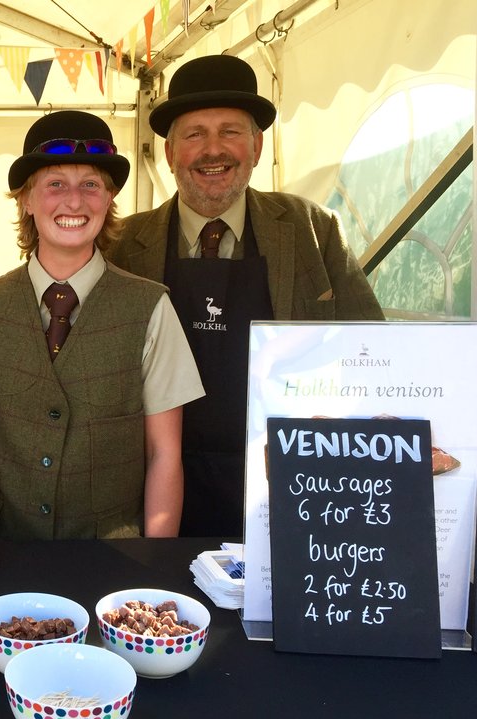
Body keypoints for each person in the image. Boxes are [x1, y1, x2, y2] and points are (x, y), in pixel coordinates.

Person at [106, 54, 385, 538]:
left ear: (256, 146)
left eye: (230, 132)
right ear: (170, 153)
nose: (213, 151)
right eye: (194, 134)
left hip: (285, 486)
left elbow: (373, 350)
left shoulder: (313, 231)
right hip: (147, 486)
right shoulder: (122, 245)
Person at [0, 111, 205, 539]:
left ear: (108, 200)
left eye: (91, 184)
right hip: (2, 549)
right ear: (26, 201)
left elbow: (164, 452)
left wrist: (154, 562)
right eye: (55, 184)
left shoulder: (151, 306)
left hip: (113, 555)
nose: (74, 202)